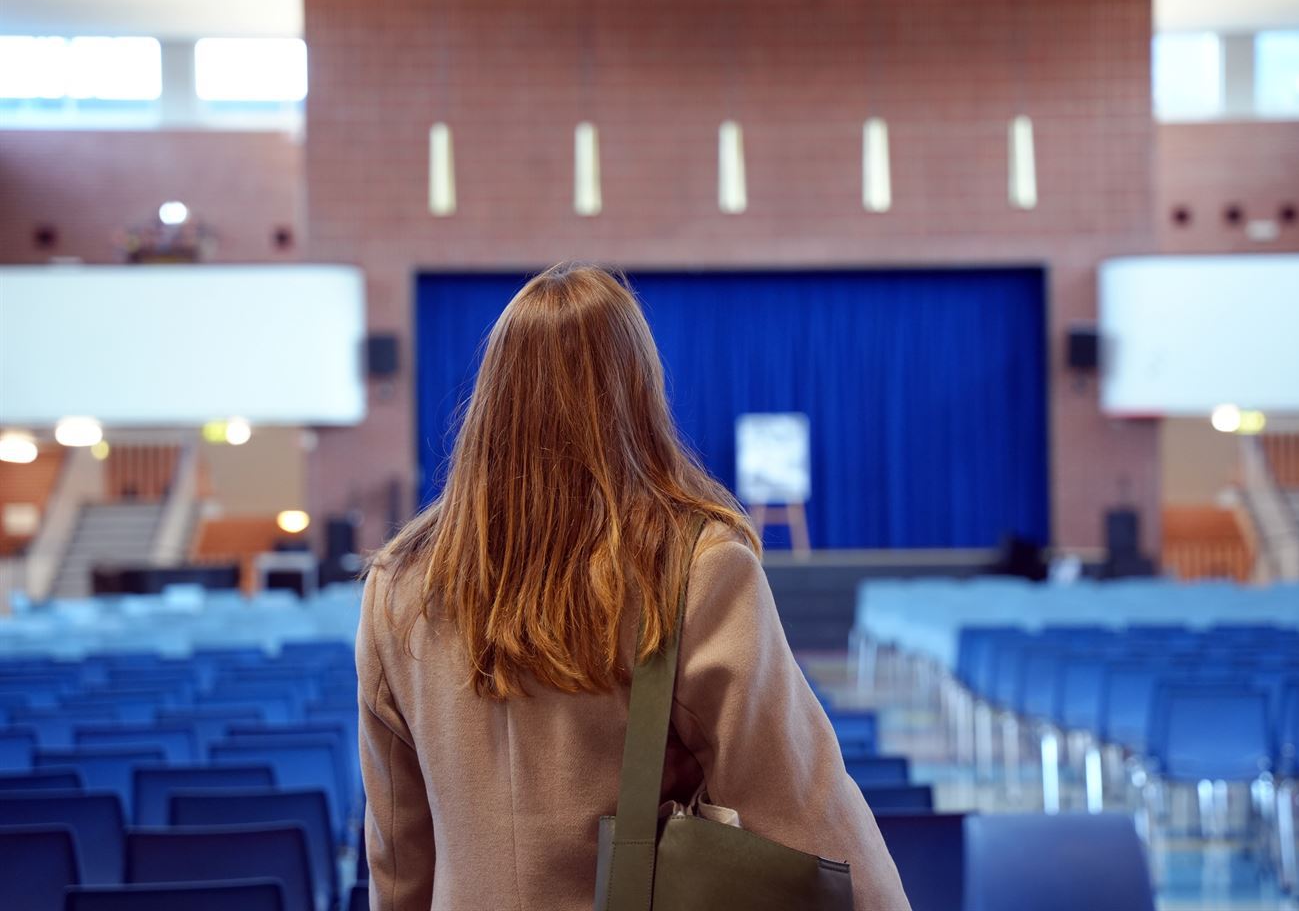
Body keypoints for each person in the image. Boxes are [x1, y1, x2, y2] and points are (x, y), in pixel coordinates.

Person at [358, 263, 910, 910]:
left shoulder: (399, 587)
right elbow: (800, 806)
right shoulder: (691, 566)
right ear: (639, 393)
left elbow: (398, 855)